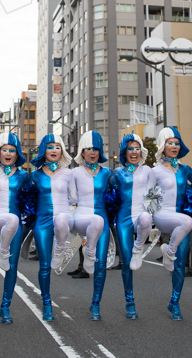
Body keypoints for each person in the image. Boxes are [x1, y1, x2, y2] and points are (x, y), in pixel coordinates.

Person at [0, 131, 31, 324]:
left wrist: (28, 214)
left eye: (12, 150)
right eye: (5, 150)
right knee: (10, 221)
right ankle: (1, 249)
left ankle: (5, 307)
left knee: (11, 267)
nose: (8, 153)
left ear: (17, 153)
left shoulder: (23, 175)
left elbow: (29, 199)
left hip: (15, 223)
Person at [151, 127, 192, 320]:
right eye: (170, 143)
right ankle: (168, 251)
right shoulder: (154, 170)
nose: (174, 147)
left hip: (182, 220)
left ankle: (175, 303)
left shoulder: (185, 169)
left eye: (177, 143)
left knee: (180, 264)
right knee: (175, 256)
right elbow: (146, 194)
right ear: (163, 146)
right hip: (162, 216)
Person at [29, 133, 74, 321]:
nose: (54, 150)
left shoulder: (68, 173)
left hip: (63, 216)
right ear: (43, 151)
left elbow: (76, 198)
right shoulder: (35, 175)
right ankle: (46, 303)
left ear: (62, 150)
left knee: (63, 219)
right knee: (44, 264)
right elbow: (29, 199)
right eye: (50, 147)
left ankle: (61, 247)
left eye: (57, 147)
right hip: (43, 219)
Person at [71, 131, 113, 321]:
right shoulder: (74, 173)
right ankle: (85, 251)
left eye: (96, 148)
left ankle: (95, 304)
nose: (93, 152)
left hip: (102, 219)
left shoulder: (108, 173)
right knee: (93, 257)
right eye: (88, 149)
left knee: (101, 265)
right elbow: (70, 200)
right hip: (81, 216)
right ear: (82, 151)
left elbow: (117, 196)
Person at [113, 133, 154, 320]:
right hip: (122, 219)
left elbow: (156, 194)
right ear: (125, 152)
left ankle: (139, 248)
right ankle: (129, 302)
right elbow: (108, 197)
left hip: (140, 215)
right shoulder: (117, 173)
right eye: (130, 148)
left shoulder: (148, 171)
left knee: (146, 218)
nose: (134, 152)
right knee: (126, 262)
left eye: (137, 148)